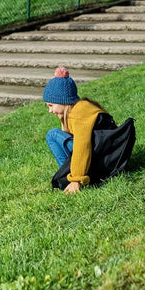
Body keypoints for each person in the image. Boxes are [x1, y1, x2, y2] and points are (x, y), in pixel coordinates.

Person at [43, 66, 112, 194]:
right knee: (54, 134)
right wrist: (63, 119)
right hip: (103, 154)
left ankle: (69, 177)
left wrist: (76, 180)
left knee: (52, 135)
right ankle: (69, 173)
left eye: (51, 105)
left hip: (98, 160)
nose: (50, 110)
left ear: (62, 101)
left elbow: (82, 146)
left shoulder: (78, 115)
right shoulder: (82, 106)